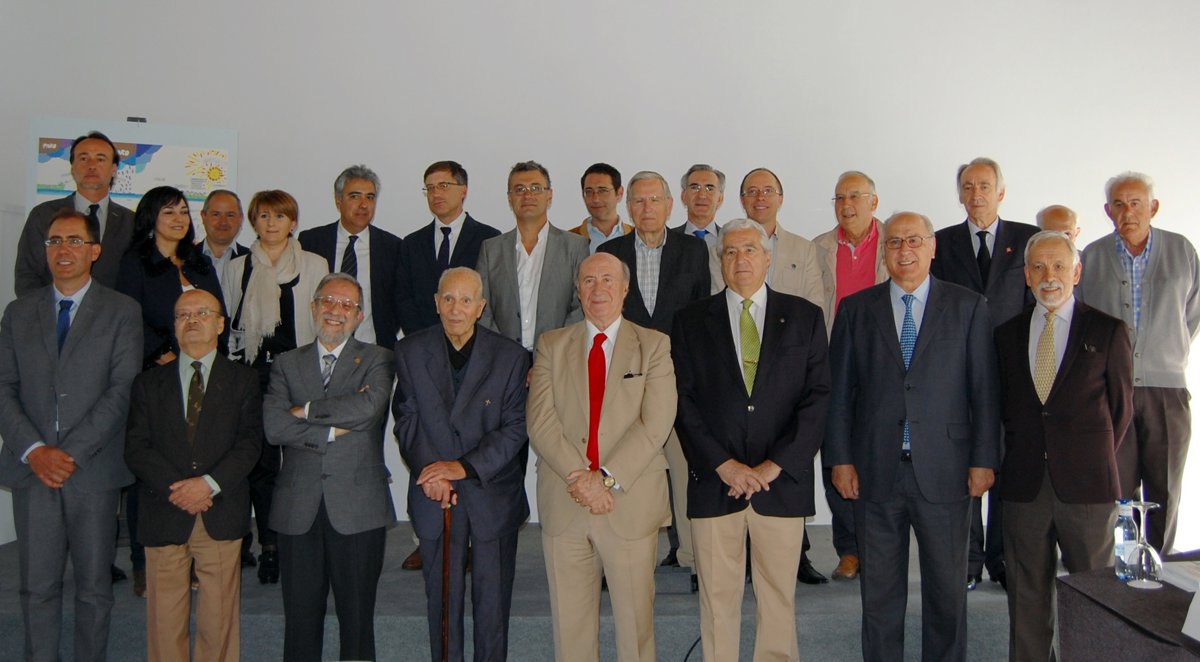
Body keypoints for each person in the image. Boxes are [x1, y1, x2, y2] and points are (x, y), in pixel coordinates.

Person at [825, 212, 1002, 662]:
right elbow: (840, 393)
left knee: (947, 594)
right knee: (879, 596)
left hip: (947, 470)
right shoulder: (856, 309)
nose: (905, 250)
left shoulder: (967, 306)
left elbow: (984, 391)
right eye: (895, 242)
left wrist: (984, 459)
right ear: (884, 251)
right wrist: (840, 459)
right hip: (874, 471)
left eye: (915, 241)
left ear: (932, 247)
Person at [673, 218, 831, 661]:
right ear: (719, 260)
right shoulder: (689, 321)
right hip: (715, 481)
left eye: (749, 250)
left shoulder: (804, 317)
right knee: (717, 601)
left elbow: (818, 399)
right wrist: (724, 464)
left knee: (778, 599)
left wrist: (774, 465)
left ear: (767, 257)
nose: (740, 259)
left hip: (780, 483)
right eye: (730, 251)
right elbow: (682, 401)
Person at [0, 209, 142, 662]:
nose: (63, 250)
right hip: (34, 470)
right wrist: (35, 451)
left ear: (94, 251)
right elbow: (3, 387)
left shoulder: (122, 311)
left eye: (74, 241)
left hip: (92, 470)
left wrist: (71, 453)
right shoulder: (18, 312)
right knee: (36, 587)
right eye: (55, 241)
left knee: (94, 589)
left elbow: (122, 391)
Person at [527, 252, 676, 662]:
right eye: (589, 280)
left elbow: (656, 423)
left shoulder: (653, 345)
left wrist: (605, 478)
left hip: (629, 503)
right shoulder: (551, 345)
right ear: (578, 290)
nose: (598, 289)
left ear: (625, 288)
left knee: (635, 630)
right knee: (570, 630)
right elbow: (540, 421)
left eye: (608, 279)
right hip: (566, 500)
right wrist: (582, 479)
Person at [995, 230, 1133, 661]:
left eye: (1058, 266)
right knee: (1026, 598)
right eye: (1038, 267)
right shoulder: (1006, 335)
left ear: (1076, 272)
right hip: (1025, 487)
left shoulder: (1108, 331)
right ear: (1026, 275)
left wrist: (1086, 456)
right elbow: (1002, 408)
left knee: (1093, 597)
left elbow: (1121, 411)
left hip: (1088, 487)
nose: (1048, 276)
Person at [394, 267, 531, 662]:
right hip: (435, 492)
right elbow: (406, 418)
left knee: (492, 608)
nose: (456, 308)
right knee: (442, 603)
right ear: (436, 303)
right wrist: (434, 471)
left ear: (480, 307)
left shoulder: (510, 356)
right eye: (449, 299)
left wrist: (464, 467)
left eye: (466, 300)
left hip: (491, 492)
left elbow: (516, 427)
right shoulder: (410, 351)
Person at [262, 272, 396, 662]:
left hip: (358, 508)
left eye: (347, 305)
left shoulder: (379, 358)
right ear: (313, 307)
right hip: (297, 509)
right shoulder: (286, 363)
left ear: (359, 316)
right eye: (328, 302)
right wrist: (332, 431)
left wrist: (304, 411)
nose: (336, 311)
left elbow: (368, 410)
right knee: (300, 625)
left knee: (357, 624)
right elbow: (274, 427)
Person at [124, 289, 262, 662]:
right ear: (174, 326)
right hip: (164, 510)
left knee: (218, 624)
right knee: (164, 623)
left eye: (202, 313)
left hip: (220, 508)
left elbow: (249, 445)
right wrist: (180, 490)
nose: (192, 320)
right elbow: (136, 448)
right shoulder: (148, 383)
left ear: (220, 324)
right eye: (183, 315)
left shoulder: (244, 380)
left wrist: (207, 486)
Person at [1076, 171, 1200, 553]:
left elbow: (1192, 314)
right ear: (1107, 211)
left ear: (1153, 207)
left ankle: (1159, 566)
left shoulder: (1181, 250)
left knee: (1165, 487)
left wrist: (1167, 351)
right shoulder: (1091, 257)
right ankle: (1124, 566)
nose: (1127, 212)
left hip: (1167, 391)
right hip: (1111, 391)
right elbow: (1083, 320)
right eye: (1119, 204)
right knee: (1117, 487)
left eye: (1135, 203)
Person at [597, 170, 709, 590]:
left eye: (654, 200)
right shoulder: (609, 252)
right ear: (628, 207)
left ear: (669, 205)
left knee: (685, 472)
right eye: (639, 201)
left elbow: (700, 317)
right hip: (623, 385)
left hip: (676, 381)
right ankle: (613, 561)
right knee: (622, 468)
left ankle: (695, 561)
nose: (647, 208)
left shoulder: (693, 251)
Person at [115, 185, 228, 597]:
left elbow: (218, 315)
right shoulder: (136, 263)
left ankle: (193, 559)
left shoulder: (198, 261)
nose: (179, 219)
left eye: (183, 211)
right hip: (157, 376)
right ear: (151, 218)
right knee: (154, 469)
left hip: (202, 375)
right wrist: (162, 354)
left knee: (196, 462)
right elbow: (128, 319)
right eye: (169, 212)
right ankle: (143, 562)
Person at [930, 157, 1038, 591]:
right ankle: (969, 561)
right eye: (968, 186)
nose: (976, 194)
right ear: (960, 194)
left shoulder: (1027, 239)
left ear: (1001, 192)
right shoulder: (941, 243)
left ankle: (1002, 558)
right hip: (958, 372)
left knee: (1007, 467)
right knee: (966, 466)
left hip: (1013, 371)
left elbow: (1034, 306)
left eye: (985, 186)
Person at [222, 189, 329, 583]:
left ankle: (302, 540)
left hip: (298, 374)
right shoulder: (237, 267)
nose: (271, 224)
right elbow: (231, 324)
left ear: (292, 222)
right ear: (254, 222)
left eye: (279, 216)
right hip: (252, 376)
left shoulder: (314, 264)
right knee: (262, 464)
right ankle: (269, 546)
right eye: (264, 216)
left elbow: (321, 321)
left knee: (301, 462)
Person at [736, 167, 829, 584]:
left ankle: (798, 553)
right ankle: (743, 553)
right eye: (752, 191)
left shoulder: (802, 248)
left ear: (781, 197)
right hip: (741, 364)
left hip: (788, 366)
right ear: (742, 199)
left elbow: (815, 304)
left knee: (789, 456)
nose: (760, 197)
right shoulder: (728, 243)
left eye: (768, 190)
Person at [810, 170, 890, 582]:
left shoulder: (894, 243)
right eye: (839, 197)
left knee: (879, 455)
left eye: (855, 196)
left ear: (874, 202)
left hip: (884, 363)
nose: (847, 205)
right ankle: (849, 549)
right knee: (836, 456)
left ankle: (879, 545)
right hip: (833, 362)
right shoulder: (819, 248)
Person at [476, 161, 590, 352]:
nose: (528, 195)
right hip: (502, 357)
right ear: (510, 197)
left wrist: (552, 353)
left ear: (549, 194)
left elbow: (580, 306)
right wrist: (505, 353)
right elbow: (481, 307)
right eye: (519, 189)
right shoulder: (491, 249)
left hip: (558, 356)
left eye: (536, 188)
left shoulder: (575, 246)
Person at [15, 131, 134, 295]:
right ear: (72, 168)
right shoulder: (43, 215)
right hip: (51, 309)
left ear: (114, 169)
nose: (92, 165)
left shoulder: (131, 222)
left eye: (100, 159)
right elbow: (27, 275)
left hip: (114, 311)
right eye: (83, 158)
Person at [299, 164, 404, 348]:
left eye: (370, 197)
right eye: (355, 196)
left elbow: (399, 302)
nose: (363, 204)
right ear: (338, 200)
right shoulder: (311, 242)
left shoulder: (392, 247)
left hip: (374, 350)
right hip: (321, 348)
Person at [396, 160, 501, 336]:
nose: (436, 194)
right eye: (430, 188)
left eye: (443, 186)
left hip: (474, 341)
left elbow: (494, 298)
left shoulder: (489, 238)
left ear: (463, 191)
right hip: (423, 342)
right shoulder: (412, 243)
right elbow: (404, 299)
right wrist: (422, 339)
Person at [569, 163, 632, 253]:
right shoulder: (568, 240)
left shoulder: (638, 237)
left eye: (602, 191)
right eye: (589, 191)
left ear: (619, 193)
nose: (596, 199)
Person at [199, 189, 250, 288]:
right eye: (216, 214)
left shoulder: (253, 261)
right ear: (203, 216)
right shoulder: (184, 259)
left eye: (230, 215)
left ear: (240, 219)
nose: (223, 222)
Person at [674, 164, 725, 251]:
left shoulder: (729, 240)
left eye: (709, 189)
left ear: (720, 199)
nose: (702, 195)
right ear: (683, 196)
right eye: (695, 188)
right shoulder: (666, 240)